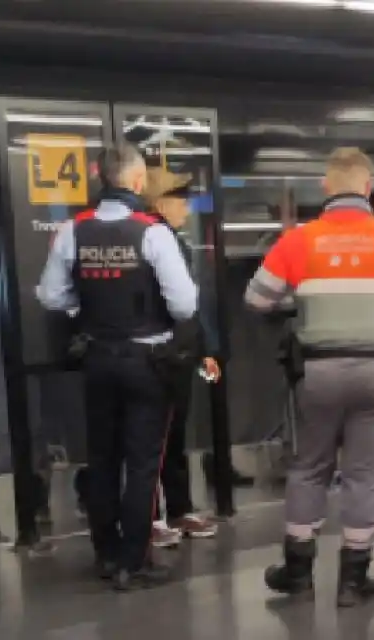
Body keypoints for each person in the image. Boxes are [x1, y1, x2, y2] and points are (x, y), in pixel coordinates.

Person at [248, 147, 374, 608]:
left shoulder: (298, 240)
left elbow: (257, 300)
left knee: (309, 468)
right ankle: (353, 580)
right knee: (367, 476)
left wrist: (303, 301)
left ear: (326, 187)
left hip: (318, 371)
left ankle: (297, 572)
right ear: (368, 189)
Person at [36, 143, 198, 591]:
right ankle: (135, 560)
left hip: (97, 359)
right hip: (147, 361)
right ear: (137, 181)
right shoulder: (152, 232)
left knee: (103, 458)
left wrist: (84, 307)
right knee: (144, 463)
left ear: (99, 177)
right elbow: (185, 304)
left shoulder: (74, 229)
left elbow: (51, 295)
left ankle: (106, 555)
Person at [142, 168, 222, 544]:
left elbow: (192, 306)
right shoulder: (150, 240)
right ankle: (152, 516)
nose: (187, 208)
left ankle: (177, 509)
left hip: (180, 353)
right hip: (157, 354)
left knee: (174, 436)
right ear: (159, 203)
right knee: (152, 440)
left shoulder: (178, 242)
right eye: (180, 200)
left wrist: (203, 350)